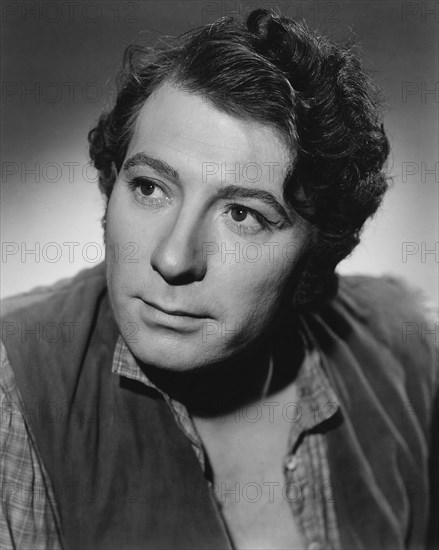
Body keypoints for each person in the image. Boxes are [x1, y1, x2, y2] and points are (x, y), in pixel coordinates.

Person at [1, 8, 437, 550]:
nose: (173, 258)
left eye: (242, 215)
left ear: (317, 250)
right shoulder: (15, 379)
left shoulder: (407, 356)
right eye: (149, 188)